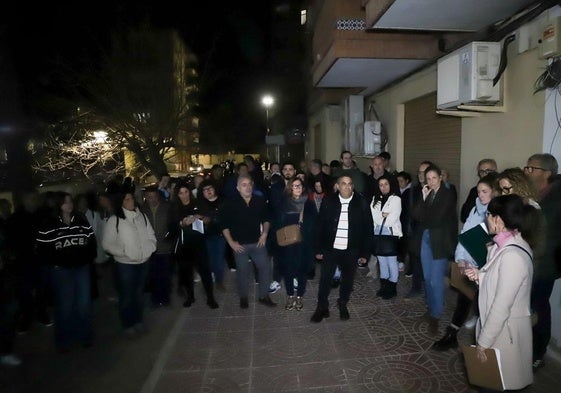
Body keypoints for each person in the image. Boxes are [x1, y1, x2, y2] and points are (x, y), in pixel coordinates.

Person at [464, 194, 537, 391]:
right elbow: (499, 279)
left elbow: (502, 305)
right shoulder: (500, 246)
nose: (485, 219)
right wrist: (480, 275)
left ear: (498, 219)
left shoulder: (513, 255)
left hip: (504, 334)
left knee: (495, 385)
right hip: (497, 329)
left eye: (488, 215)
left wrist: (483, 342)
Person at [432, 173, 498, 351]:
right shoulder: (476, 209)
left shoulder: (498, 213)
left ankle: (483, 344)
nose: (481, 195)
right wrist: (461, 259)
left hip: (489, 266)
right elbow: (465, 236)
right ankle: (452, 332)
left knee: (485, 305)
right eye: (478, 192)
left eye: (485, 191)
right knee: (464, 297)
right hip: (471, 263)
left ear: (495, 192)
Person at [36, 192, 96, 352]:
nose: (69, 205)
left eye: (70, 202)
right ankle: (64, 340)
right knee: (65, 306)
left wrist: (88, 258)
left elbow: (91, 241)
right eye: (65, 202)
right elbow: (42, 249)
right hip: (61, 271)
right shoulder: (49, 224)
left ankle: (85, 336)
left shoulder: (81, 220)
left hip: (81, 268)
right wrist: (54, 263)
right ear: (58, 204)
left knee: (83, 304)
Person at [310, 175, 373, 322]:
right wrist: (318, 249)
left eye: (350, 184)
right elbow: (319, 225)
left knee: (348, 279)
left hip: (351, 249)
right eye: (343, 184)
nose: (347, 187)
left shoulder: (361, 202)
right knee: (325, 278)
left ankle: (343, 302)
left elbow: (368, 229)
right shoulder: (329, 201)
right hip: (330, 248)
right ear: (338, 186)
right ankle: (322, 306)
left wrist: (365, 253)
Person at [523, 153, 561, 371]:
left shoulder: (556, 197)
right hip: (529, 261)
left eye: (532, 168)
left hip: (544, 266)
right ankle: (526, 348)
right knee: (528, 309)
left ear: (546, 173)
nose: (527, 172)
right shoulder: (535, 194)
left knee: (538, 308)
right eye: (527, 168)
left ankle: (538, 352)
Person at [102, 190, 157, 336]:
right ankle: (128, 324)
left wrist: (150, 247)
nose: (130, 201)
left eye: (131, 199)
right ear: (120, 203)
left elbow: (151, 235)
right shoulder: (115, 220)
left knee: (138, 294)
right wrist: (124, 252)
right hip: (125, 264)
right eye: (126, 200)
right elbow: (107, 244)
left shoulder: (142, 217)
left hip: (143, 261)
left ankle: (138, 320)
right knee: (127, 295)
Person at [411, 164, 457, 335]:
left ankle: (436, 316)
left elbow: (436, 219)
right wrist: (423, 199)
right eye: (428, 178)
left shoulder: (447, 194)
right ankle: (431, 309)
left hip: (440, 242)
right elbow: (416, 215)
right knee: (427, 277)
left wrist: (425, 214)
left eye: (434, 178)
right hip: (426, 239)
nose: (431, 182)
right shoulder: (427, 194)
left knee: (435, 281)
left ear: (441, 178)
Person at [219, 174, 276, 308]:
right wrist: (231, 243)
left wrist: (265, 234)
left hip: (257, 243)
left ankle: (264, 295)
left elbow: (266, 219)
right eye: (244, 185)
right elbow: (224, 225)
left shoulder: (259, 200)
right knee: (242, 272)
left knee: (265, 268)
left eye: (250, 184)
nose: (248, 187)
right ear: (238, 188)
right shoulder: (230, 203)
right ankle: (243, 297)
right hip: (240, 245)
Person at [168, 182, 218, 309]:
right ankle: (190, 297)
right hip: (184, 245)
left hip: (199, 242)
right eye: (181, 193)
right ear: (177, 195)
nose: (184, 196)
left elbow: (209, 218)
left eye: (186, 192)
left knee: (205, 271)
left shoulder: (197, 203)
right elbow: (171, 227)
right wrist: (182, 223)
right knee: (186, 272)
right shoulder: (174, 207)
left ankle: (210, 297)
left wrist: (203, 218)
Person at [276, 178, 315, 310]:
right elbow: (278, 222)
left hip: (304, 242)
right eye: (294, 186)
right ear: (289, 188)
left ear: (303, 187)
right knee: (289, 269)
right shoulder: (283, 203)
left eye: (299, 185)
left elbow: (314, 222)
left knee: (302, 269)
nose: (297, 188)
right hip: (288, 242)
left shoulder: (309, 203)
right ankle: (290, 295)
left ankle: (300, 296)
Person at [405, 161, 434, 299]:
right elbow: (410, 211)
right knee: (415, 260)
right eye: (419, 172)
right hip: (416, 230)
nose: (421, 175)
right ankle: (416, 287)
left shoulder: (438, 190)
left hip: (432, 232)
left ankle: (430, 290)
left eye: (425, 172)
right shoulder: (413, 190)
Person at [370, 175, 402, 300]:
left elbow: (390, 221)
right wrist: (382, 215)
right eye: (381, 185)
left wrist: (379, 216)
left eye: (386, 184)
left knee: (391, 262)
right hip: (377, 234)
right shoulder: (375, 199)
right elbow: (373, 216)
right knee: (382, 261)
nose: (383, 187)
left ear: (391, 184)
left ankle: (392, 288)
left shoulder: (396, 199)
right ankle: (384, 286)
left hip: (390, 234)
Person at [141, 186, 174, 307]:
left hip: (165, 247)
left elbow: (173, 225)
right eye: (149, 197)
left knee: (165, 275)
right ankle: (155, 299)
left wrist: (170, 237)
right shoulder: (142, 210)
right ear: (146, 197)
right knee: (153, 275)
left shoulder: (166, 207)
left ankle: (165, 298)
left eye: (154, 196)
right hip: (150, 249)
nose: (152, 199)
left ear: (158, 196)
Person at [197, 179, 227, 292]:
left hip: (221, 234)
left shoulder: (223, 201)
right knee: (209, 259)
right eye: (205, 190)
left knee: (218, 259)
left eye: (210, 188)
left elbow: (225, 218)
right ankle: (212, 276)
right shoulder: (200, 204)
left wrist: (210, 219)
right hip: (206, 236)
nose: (208, 191)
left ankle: (219, 280)